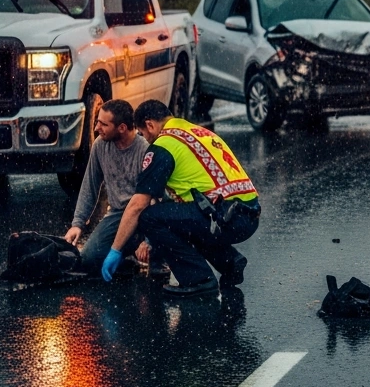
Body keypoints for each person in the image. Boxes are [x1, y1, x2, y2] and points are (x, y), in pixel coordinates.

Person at [106, 100, 260, 297]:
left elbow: (138, 204)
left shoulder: (163, 145)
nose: (145, 139)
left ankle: (198, 280)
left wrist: (116, 250)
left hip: (226, 218)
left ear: (150, 124)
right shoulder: (197, 132)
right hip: (248, 215)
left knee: (149, 218)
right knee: (181, 217)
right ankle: (229, 262)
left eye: (143, 133)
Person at [63, 99, 151, 275]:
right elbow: (90, 185)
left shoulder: (145, 150)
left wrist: (148, 241)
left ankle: (143, 247)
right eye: (98, 122)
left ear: (122, 128)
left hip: (145, 213)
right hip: (118, 214)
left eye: (103, 124)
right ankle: (126, 258)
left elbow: (159, 198)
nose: (97, 128)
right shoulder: (100, 145)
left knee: (155, 256)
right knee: (89, 259)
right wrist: (77, 224)